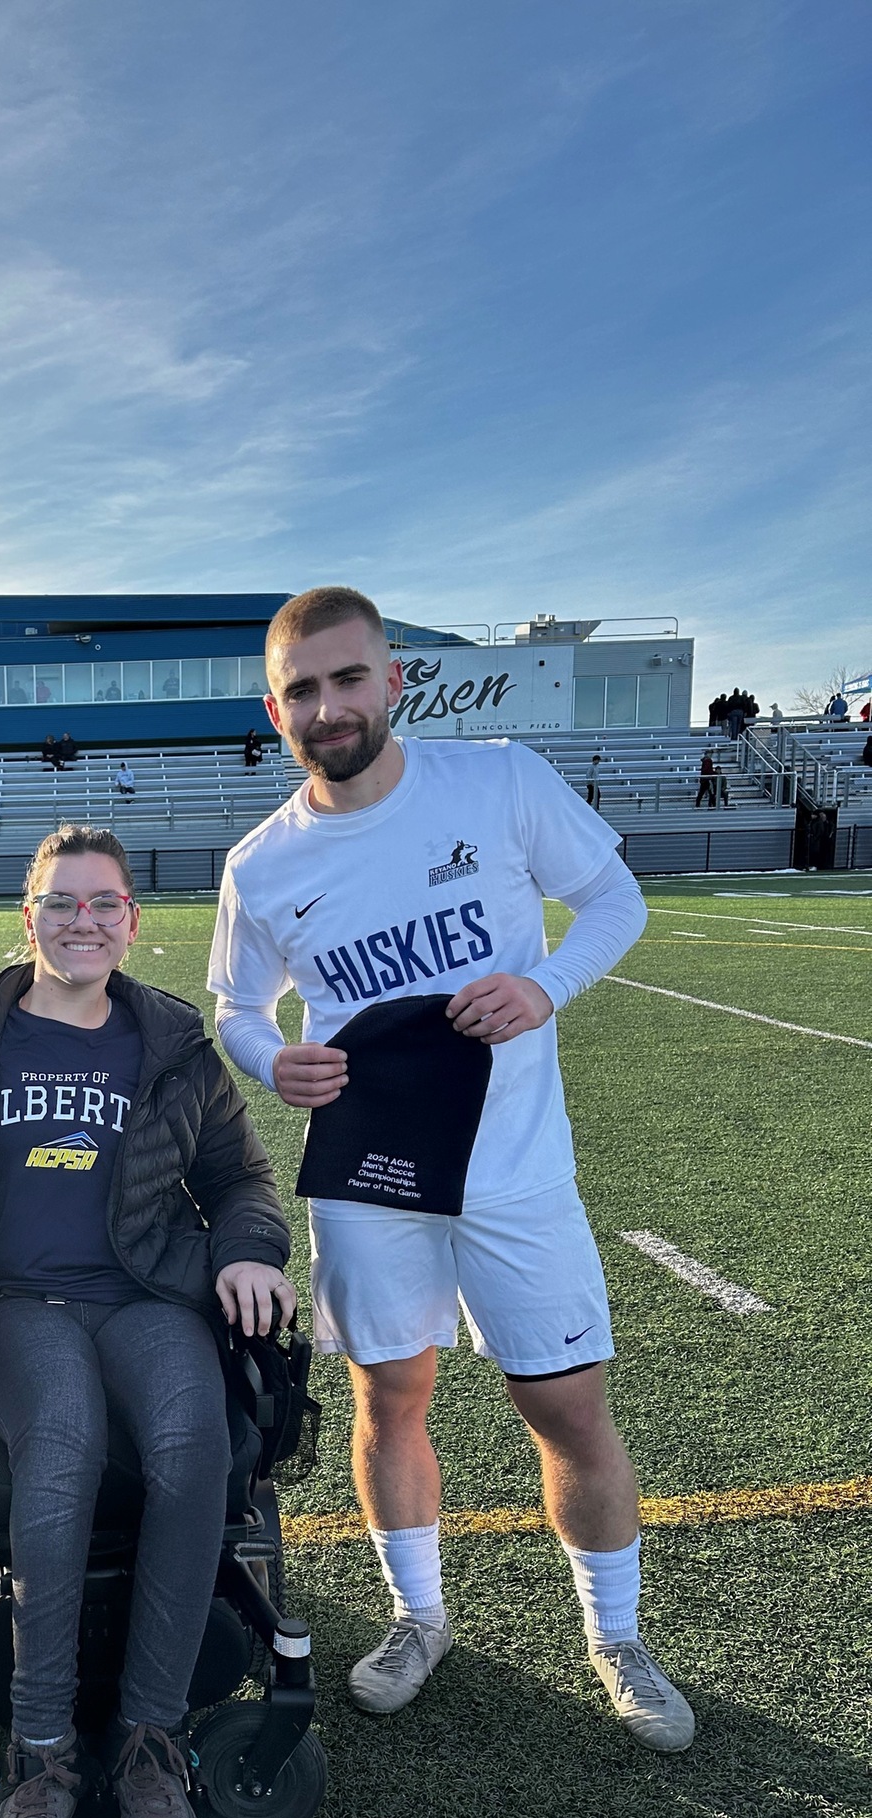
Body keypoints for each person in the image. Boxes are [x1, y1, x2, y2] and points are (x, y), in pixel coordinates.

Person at [208, 584, 694, 1753]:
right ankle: (418, 1618)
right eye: (304, 691)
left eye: (348, 678)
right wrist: (277, 1064)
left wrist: (545, 988)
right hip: (370, 1175)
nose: (330, 707)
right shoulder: (262, 863)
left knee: (565, 1404)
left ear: (393, 680)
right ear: (278, 711)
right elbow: (233, 1004)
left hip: (515, 1170)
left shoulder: (498, 780)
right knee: (391, 1395)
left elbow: (613, 900)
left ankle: (617, 1635)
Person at [0, 824, 294, 1818]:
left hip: (146, 1293)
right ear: (29, 918)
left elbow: (241, 1181)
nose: (84, 921)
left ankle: (152, 1740)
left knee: (195, 1440)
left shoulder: (174, 1045)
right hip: (11, 1307)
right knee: (61, 1435)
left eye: (105, 904)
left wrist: (246, 1254)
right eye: (62, 903)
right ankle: (41, 1752)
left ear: (133, 923)